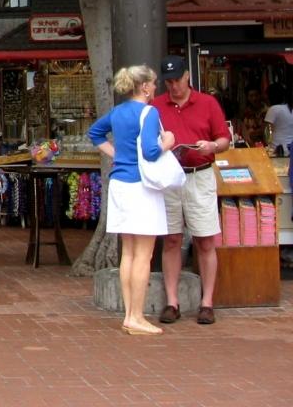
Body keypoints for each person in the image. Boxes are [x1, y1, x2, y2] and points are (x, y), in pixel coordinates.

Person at [87, 65, 175, 335]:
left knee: (128, 252)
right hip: (142, 187)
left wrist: (115, 154)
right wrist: (168, 142)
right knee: (144, 255)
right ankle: (136, 316)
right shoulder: (149, 112)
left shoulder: (118, 111)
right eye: (153, 83)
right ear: (144, 87)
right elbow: (150, 152)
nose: (156, 87)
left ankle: (129, 314)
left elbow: (95, 133)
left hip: (120, 183)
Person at [151, 54, 229, 326]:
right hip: (170, 177)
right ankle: (172, 302)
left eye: (177, 80)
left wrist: (212, 146)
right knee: (171, 239)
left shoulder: (207, 103)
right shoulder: (156, 106)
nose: (174, 86)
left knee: (205, 239)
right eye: (169, 82)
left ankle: (207, 302)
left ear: (187, 77)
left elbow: (224, 138)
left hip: (200, 173)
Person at [263, 82, 293, 153]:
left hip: (277, 150)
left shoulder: (273, 109)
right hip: (290, 149)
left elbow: (267, 134)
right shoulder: (290, 108)